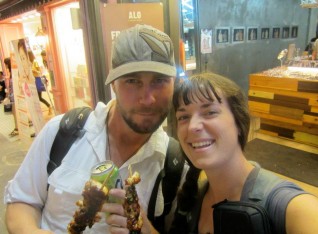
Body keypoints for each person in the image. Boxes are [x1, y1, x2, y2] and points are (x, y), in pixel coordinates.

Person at [4, 24, 186, 234]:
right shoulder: (62, 132)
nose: (148, 98)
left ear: (174, 83)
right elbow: (21, 202)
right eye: (132, 81)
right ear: (113, 85)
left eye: (159, 81)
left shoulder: (174, 164)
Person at [168, 73, 318, 234]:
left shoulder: (290, 207)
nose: (192, 127)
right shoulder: (195, 198)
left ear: (239, 122)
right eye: (183, 117)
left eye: (210, 112)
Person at [28, 51, 52, 115]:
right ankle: (47, 107)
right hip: (34, 81)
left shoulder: (35, 62)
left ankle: (49, 106)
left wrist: (33, 70)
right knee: (36, 97)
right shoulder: (31, 63)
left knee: (39, 97)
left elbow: (40, 71)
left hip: (37, 80)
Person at [4, 57, 19, 137]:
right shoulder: (12, 73)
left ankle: (17, 128)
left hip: (14, 96)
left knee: (15, 112)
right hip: (13, 95)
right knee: (15, 112)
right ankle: (18, 127)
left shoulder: (14, 73)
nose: (5, 66)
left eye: (5, 64)